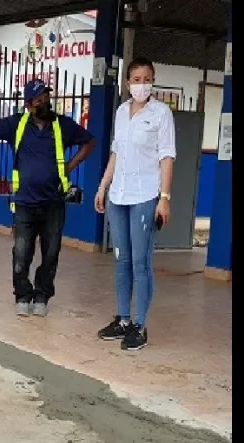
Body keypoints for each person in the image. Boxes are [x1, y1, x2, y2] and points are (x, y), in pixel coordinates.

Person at [0, 79, 96, 317]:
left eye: (46, 96)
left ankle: (42, 296)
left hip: (53, 202)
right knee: (21, 253)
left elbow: (90, 142)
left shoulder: (63, 125)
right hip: (24, 203)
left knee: (51, 252)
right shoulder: (17, 124)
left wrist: (71, 165)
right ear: (29, 104)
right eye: (39, 98)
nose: (44, 101)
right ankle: (23, 294)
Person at [95, 57, 175, 351]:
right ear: (127, 83)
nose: (142, 84)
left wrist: (163, 198)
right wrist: (103, 186)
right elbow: (116, 152)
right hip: (119, 195)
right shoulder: (121, 112)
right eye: (136, 79)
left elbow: (167, 156)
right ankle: (123, 319)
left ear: (152, 81)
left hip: (145, 196)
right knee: (122, 260)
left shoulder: (161, 114)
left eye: (147, 79)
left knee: (141, 263)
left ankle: (140, 325)